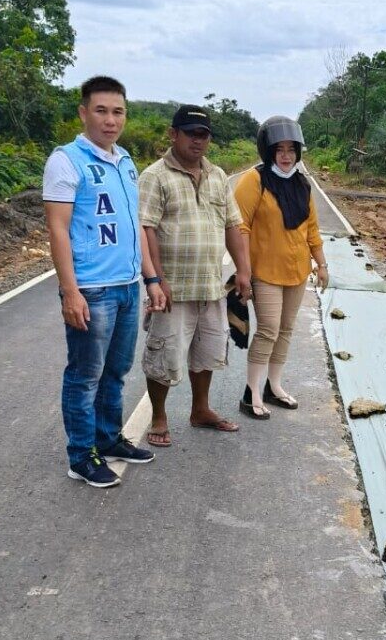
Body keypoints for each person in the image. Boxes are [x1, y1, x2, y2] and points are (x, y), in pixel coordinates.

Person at [44, 75, 166, 488]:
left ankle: (108, 438)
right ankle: (81, 455)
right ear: (83, 113)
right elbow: (57, 230)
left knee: (116, 370)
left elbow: (134, 226)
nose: (110, 120)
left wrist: (150, 278)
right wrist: (70, 290)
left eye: (118, 112)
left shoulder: (126, 161)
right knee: (85, 375)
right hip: (92, 289)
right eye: (101, 111)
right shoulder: (67, 160)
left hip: (128, 285)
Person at [139, 105, 252, 446]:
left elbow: (233, 225)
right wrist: (156, 280)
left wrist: (243, 270)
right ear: (173, 135)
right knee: (164, 355)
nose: (197, 141)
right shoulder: (155, 176)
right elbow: (145, 229)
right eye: (190, 133)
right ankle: (159, 417)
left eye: (203, 135)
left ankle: (200, 410)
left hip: (210, 285)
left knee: (207, 352)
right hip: (171, 288)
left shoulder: (217, 175)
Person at [233, 116, 327, 419]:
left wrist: (321, 264)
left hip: (297, 271)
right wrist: (243, 271)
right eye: (279, 149)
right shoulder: (254, 180)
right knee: (268, 331)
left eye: (291, 149)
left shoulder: (302, 184)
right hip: (264, 272)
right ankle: (252, 394)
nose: (286, 156)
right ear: (268, 150)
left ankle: (274, 387)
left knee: (285, 330)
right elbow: (239, 227)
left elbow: (311, 228)